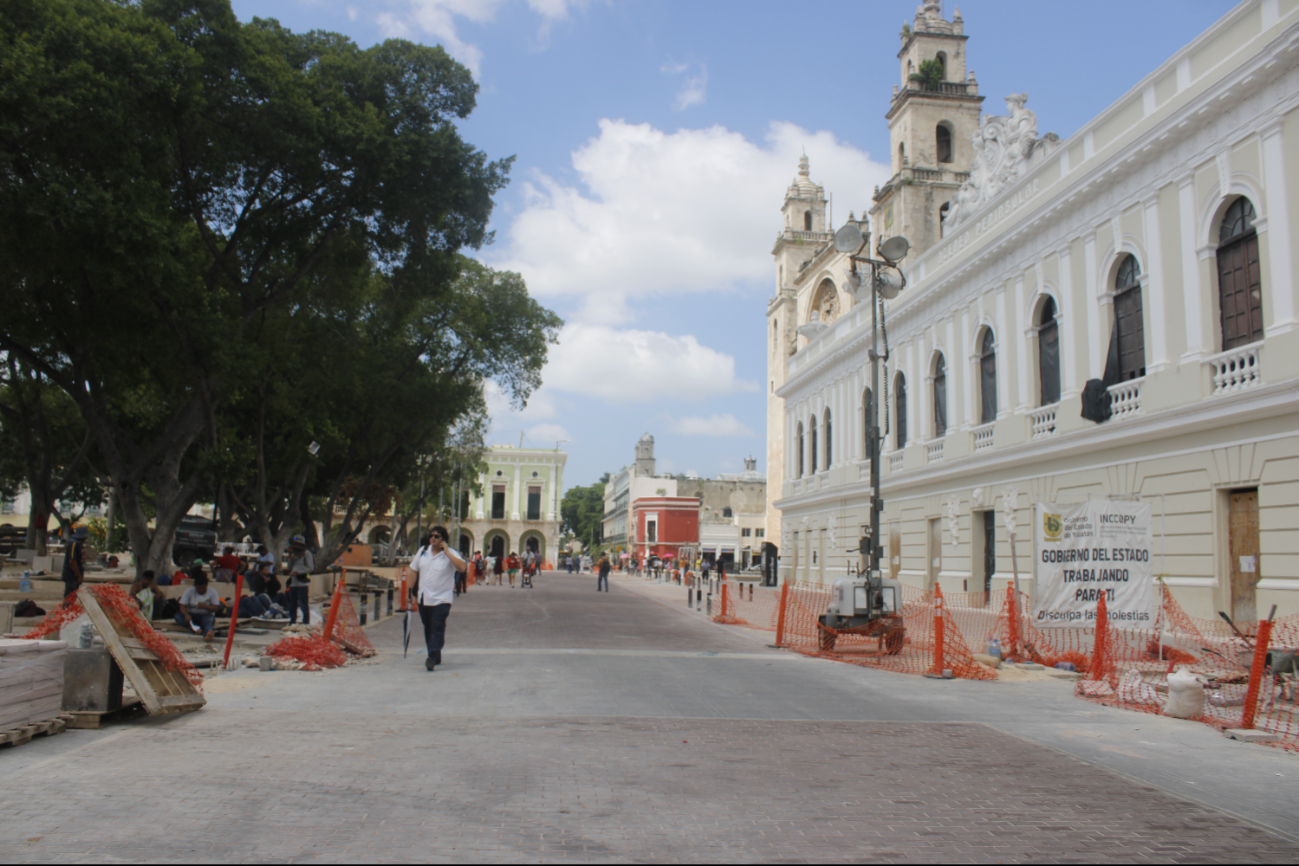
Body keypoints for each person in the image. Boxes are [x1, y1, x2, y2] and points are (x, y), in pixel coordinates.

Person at [408, 525, 466, 671]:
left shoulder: (451, 553)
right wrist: (410, 591)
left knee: (437, 626)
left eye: (436, 536)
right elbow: (414, 571)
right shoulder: (423, 552)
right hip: (424, 598)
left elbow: (462, 568)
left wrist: (446, 551)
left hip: (442, 599)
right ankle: (435, 654)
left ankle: (432, 658)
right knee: (428, 627)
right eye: (431, 535)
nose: (433, 538)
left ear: (443, 539)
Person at [176, 573, 220, 641]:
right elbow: (183, 606)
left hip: (206, 615)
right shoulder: (189, 591)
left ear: (206, 585)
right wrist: (186, 614)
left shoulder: (212, 592)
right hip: (192, 616)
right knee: (178, 616)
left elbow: (215, 608)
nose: (201, 590)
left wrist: (205, 606)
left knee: (208, 622)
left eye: (203, 588)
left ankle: (208, 633)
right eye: (199, 588)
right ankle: (195, 629)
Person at [285, 535, 314, 626]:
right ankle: (292, 621)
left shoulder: (306, 553)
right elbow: (289, 567)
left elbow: (310, 568)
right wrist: (289, 555)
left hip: (302, 584)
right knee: (292, 605)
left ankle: (306, 622)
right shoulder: (293, 554)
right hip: (293, 583)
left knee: (303, 604)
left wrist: (299, 572)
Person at [61, 525, 89, 602]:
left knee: (73, 596)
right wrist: (78, 575)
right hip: (71, 575)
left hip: (76, 576)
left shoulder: (79, 544)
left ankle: (68, 610)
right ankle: (65, 610)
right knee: (69, 596)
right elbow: (72, 561)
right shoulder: (74, 544)